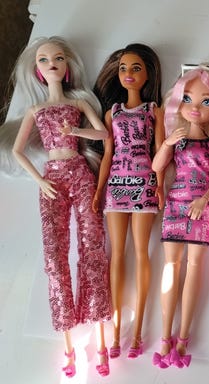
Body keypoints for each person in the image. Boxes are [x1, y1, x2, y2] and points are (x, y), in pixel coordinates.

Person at [0, 36, 111, 377]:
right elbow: (17, 151)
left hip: (79, 172)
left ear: (67, 66)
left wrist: (76, 129)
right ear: (37, 69)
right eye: (44, 59)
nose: (52, 64)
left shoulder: (78, 104)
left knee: (93, 247)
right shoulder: (35, 111)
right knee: (54, 255)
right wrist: (39, 180)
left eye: (58, 58)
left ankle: (101, 340)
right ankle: (68, 344)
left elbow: (103, 135)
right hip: (51, 179)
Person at [151, 65, 209, 369]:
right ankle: (165, 336)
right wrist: (166, 144)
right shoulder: (177, 140)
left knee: (194, 268)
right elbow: (157, 167)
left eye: (206, 101)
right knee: (170, 267)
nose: (195, 107)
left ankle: (183, 337)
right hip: (175, 204)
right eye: (187, 99)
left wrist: (204, 198)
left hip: (203, 206)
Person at [92, 43, 164, 359]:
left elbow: (160, 152)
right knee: (117, 254)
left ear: (148, 74)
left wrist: (160, 185)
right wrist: (99, 190)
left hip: (144, 182)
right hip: (116, 185)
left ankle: (137, 333)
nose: (128, 74)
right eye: (123, 68)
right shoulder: (113, 113)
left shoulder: (153, 111)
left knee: (142, 252)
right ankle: (116, 330)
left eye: (136, 68)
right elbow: (108, 154)